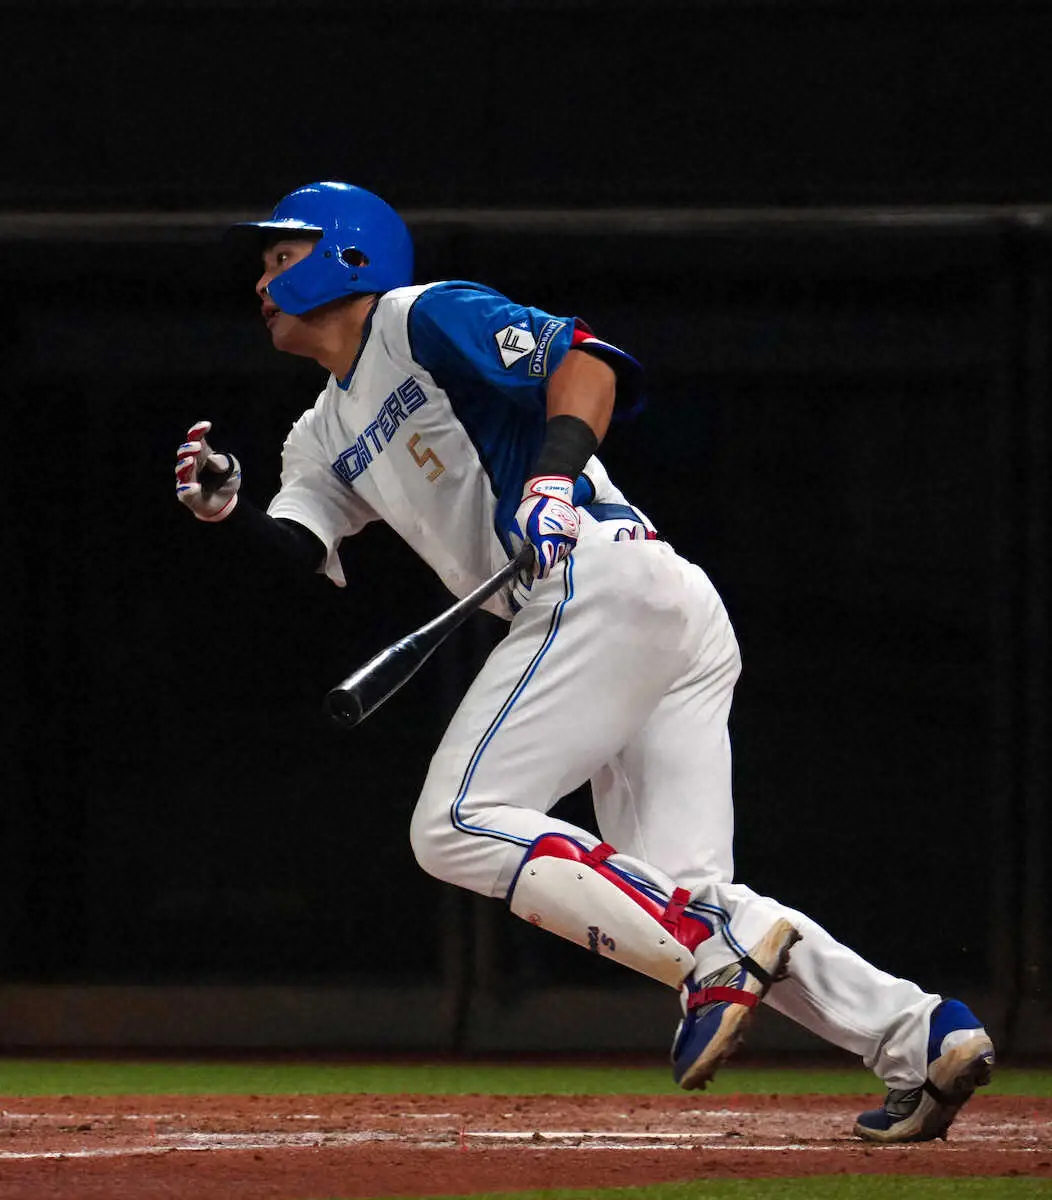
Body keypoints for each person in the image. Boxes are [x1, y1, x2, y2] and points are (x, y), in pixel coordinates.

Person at [175, 180, 994, 1141]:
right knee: (691, 899)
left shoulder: (420, 314)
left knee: (454, 825)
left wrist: (553, 476)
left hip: (600, 578)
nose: (262, 280)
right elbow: (299, 543)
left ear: (345, 254)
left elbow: (587, 362)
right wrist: (225, 510)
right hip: (643, 611)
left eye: (280, 255)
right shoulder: (316, 434)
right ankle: (919, 1033)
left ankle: (710, 950)